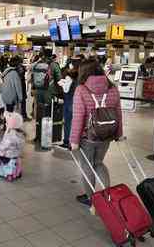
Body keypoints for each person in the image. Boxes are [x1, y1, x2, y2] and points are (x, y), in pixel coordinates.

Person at [70, 58, 123, 206]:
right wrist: (118, 134)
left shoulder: (81, 89)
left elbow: (78, 117)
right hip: (107, 135)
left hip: (88, 137)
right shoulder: (112, 88)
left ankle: (91, 198)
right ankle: (107, 194)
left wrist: (74, 141)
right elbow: (118, 113)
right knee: (99, 162)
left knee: (87, 166)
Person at [57, 57, 80, 150]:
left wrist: (62, 84)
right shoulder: (81, 75)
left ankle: (67, 142)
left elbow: (66, 89)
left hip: (69, 100)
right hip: (77, 101)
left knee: (68, 122)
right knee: (75, 122)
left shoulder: (69, 76)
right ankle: (74, 141)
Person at [15, 56, 31, 121]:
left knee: (20, 102)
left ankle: (20, 116)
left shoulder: (16, 67)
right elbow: (21, 75)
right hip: (21, 86)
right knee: (23, 101)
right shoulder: (20, 67)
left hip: (19, 86)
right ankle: (23, 116)